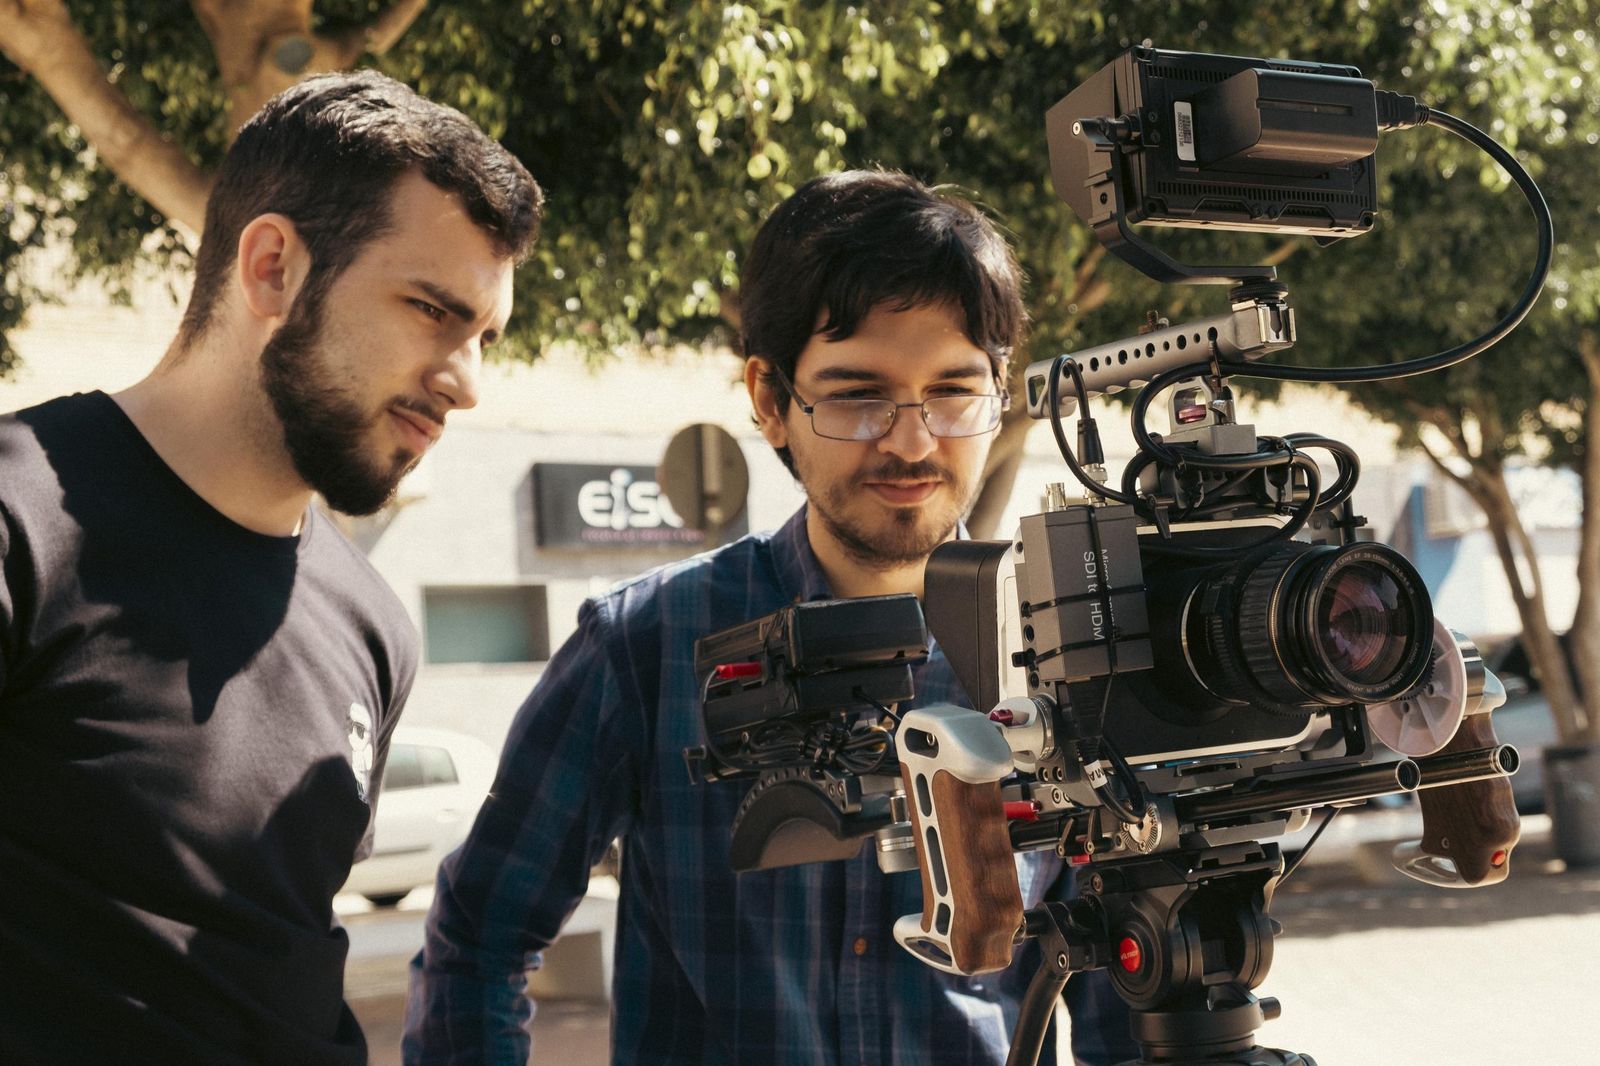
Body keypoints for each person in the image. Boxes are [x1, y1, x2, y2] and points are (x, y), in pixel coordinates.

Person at [405, 169, 1134, 1065]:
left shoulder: (1072, 656)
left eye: (952, 391)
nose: (911, 441)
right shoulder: (649, 645)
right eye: (858, 395)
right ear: (768, 400)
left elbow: (1124, 1013)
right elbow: (477, 943)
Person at [0, 71, 541, 1065]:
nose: (468, 383)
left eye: (485, 337)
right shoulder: (19, 522)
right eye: (432, 309)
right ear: (271, 268)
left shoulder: (374, 627)